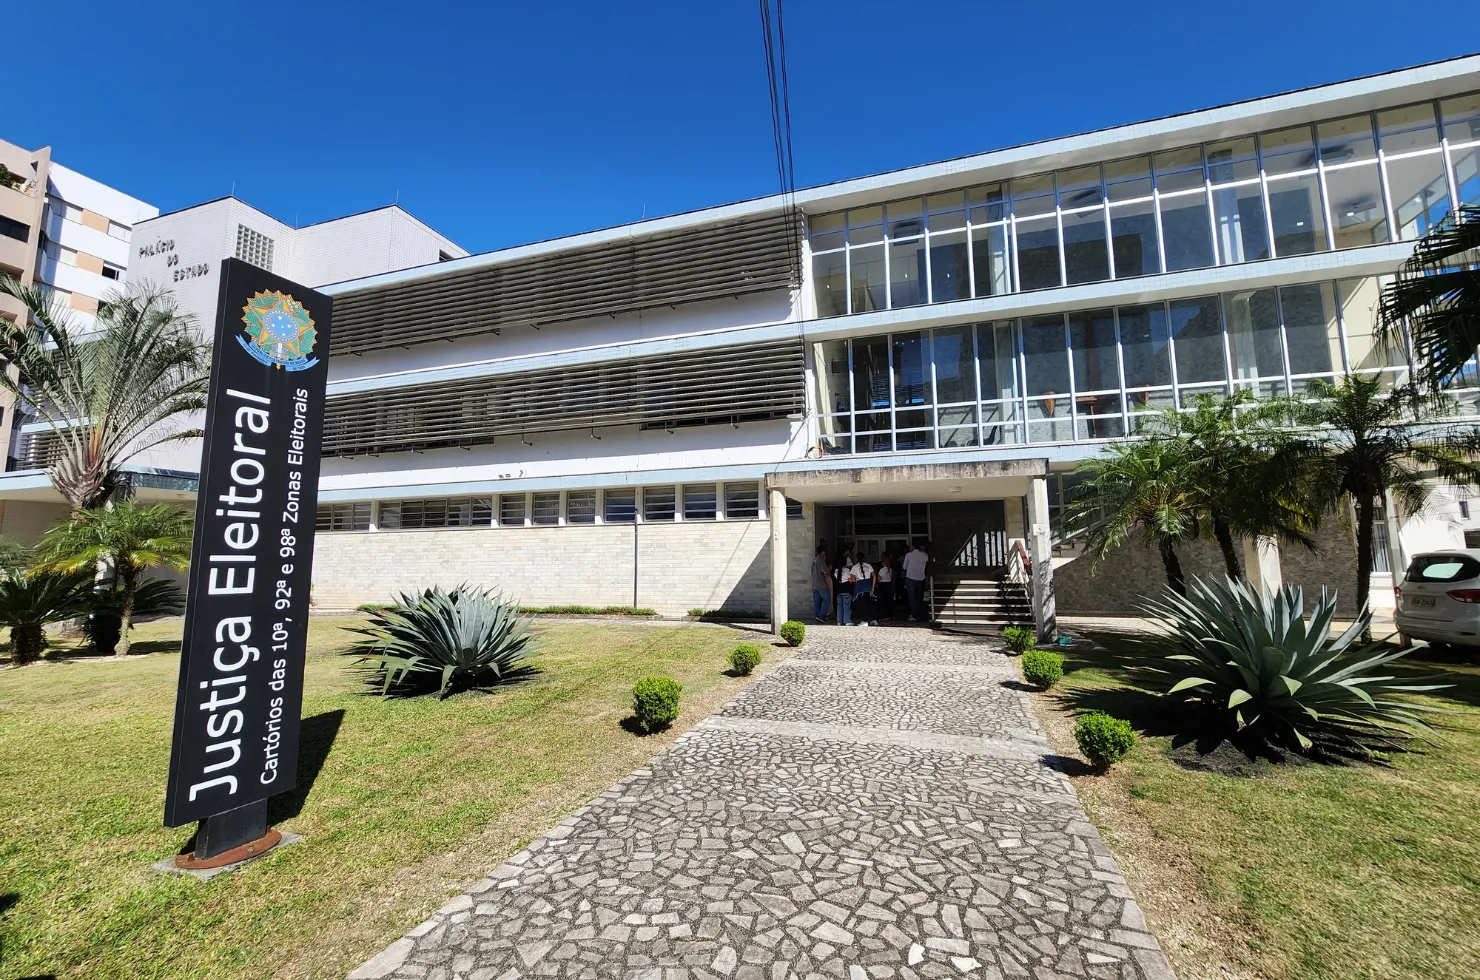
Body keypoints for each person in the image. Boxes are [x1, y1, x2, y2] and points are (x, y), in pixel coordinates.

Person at [902, 541, 929, 622]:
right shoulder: (925, 555)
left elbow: (904, 567)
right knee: (918, 597)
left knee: (912, 597)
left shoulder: (909, 555)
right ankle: (919, 613)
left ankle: (914, 615)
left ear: (912, 547)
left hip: (910, 578)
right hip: (920, 578)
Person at [849, 554, 877, 626]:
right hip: (868, 586)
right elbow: (874, 575)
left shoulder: (855, 567)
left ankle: (864, 621)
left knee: (861, 605)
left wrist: (853, 580)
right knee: (869, 604)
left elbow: (852, 579)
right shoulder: (868, 565)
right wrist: (873, 587)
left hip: (860, 588)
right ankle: (874, 620)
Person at [810, 544, 833, 623]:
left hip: (815, 584)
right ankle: (821, 615)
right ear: (822, 552)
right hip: (821, 584)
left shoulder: (814, 560)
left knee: (817, 601)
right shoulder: (821, 560)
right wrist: (829, 569)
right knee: (827, 599)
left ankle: (817, 616)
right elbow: (825, 572)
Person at [835, 559, 856, 627]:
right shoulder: (847, 570)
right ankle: (847, 621)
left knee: (839, 606)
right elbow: (850, 579)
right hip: (846, 589)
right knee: (846, 606)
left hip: (839, 590)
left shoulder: (836, 571)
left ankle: (839, 621)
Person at [876, 552, 896, 620]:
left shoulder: (882, 570)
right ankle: (891, 614)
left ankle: (885, 615)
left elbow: (878, 578)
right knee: (889, 600)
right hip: (888, 584)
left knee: (884, 601)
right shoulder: (890, 569)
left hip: (883, 585)